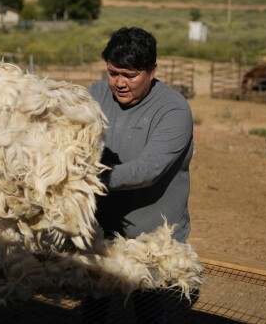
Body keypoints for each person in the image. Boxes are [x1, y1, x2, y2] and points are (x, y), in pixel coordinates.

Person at [83, 26, 195, 323]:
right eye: (112, 72)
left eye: (130, 75)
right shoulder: (94, 95)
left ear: (152, 71)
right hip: (102, 230)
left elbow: (148, 170)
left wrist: (83, 178)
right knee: (93, 303)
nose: (119, 83)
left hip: (152, 238)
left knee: (147, 308)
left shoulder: (173, 111)